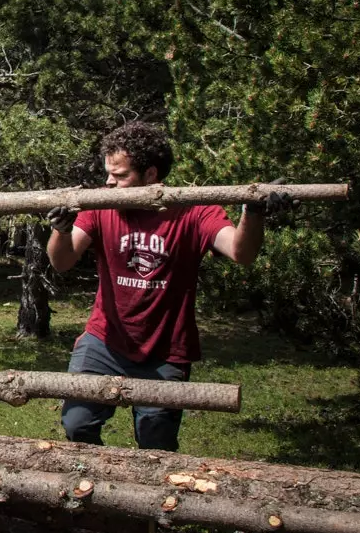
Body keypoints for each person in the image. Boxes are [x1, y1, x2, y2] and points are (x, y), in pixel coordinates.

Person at [46, 121, 295, 451]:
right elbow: (62, 262)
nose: (108, 182)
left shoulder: (194, 210)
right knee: (76, 424)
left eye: (119, 176)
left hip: (166, 350)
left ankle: (146, 499)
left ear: (150, 175)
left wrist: (253, 211)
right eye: (108, 173)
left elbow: (241, 252)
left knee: (156, 442)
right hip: (104, 340)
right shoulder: (101, 205)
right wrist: (61, 230)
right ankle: (99, 487)